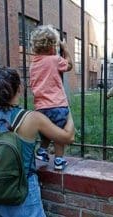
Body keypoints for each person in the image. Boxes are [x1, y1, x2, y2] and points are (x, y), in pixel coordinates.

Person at [0, 68, 74, 217]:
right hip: (22, 195)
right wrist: (66, 110)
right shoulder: (32, 118)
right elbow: (68, 137)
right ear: (19, 88)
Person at [29, 25, 73, 170]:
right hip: (57, 105)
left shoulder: (33, 64)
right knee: (59, 134)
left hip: (41, 108)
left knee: (47, 131)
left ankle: (42, 150)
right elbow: (70, 66)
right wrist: (65, 49)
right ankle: (59, 160)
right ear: (53, 46)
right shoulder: (55, 59)